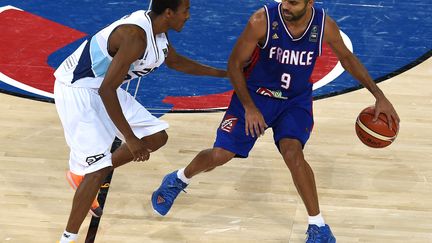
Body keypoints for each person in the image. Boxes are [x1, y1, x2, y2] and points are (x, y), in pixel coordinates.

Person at [151, 0, 400, 242]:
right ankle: (178, 179)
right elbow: (235, 64)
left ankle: (319, 228)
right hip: (256, 96)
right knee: (221, 155)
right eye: (284, 1)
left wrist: (379, 96)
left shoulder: (324, 25)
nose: (286, 6)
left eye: (292, 2)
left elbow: (347, 59)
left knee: (293, 153)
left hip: (294, 100)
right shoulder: (262, 21)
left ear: (309, 3)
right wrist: (249, 107)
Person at [53, 0, 226, 242]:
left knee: (156, 137)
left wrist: (223, 73)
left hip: (101, 88)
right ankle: (67, 238)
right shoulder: (135, 37)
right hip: (78, 90)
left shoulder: (159, 32)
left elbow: (174, 61)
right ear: (168, 12)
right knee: (97, 169)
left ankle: (86, 174)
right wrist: (131, 139)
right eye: (185, 11)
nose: (188, 16)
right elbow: (106, 90)